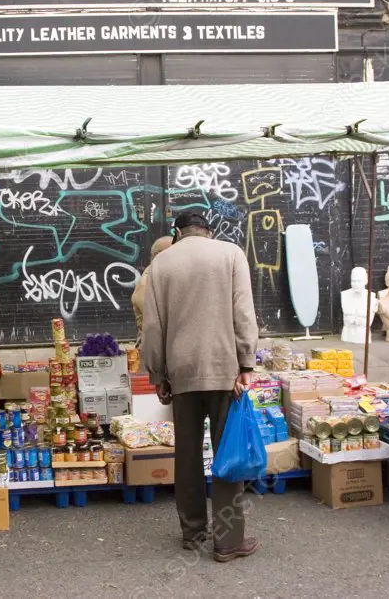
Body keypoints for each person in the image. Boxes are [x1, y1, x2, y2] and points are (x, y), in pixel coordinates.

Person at [141, 212, 259, 562]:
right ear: (209, 231)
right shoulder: (232, 254)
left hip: (182, 372)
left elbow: (152, 327)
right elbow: (244, 313)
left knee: (187, 456)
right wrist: (246, 363)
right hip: (224, 370)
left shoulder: (162, 264)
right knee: (228, 456)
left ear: (177, 232)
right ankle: (228, 541)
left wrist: (157, 374)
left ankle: (193, 533)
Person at [131, 235, 173, 348]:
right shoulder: (147, 282)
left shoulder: (163, 277)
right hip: (154, 348)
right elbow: (155, 320)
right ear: (160, 255)